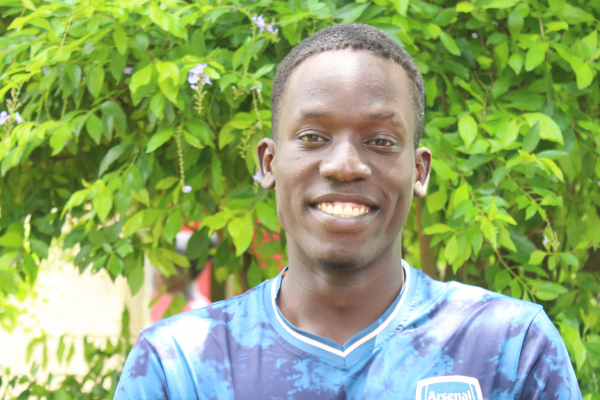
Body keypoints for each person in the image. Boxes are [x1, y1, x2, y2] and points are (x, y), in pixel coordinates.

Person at [114, 24, 580, 399]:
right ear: (268, 163)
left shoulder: (509, 347)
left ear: (419, 171)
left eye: (380, 141)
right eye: (313, 137)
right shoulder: (180, 365)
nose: (344, 166)